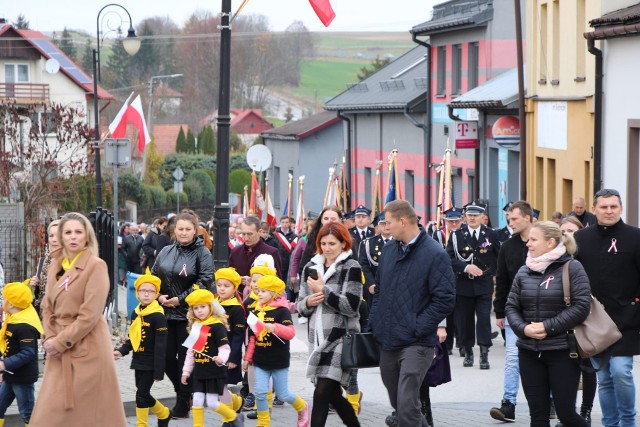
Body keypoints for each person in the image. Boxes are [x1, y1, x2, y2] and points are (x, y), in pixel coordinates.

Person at [29, 212, 127, 426]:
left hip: (87, 349)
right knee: (47, 416)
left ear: (87, 237)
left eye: (78, 232)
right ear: (61, 237)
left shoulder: (96, 266)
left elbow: (89, 315)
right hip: (58, 349)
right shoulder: (56, 265)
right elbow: (46, 306)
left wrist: (60, 341)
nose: (73, 237)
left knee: (89, 416)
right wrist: (49, 337)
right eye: (68, 232)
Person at [369, 200, 456, 427]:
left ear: (403, 221)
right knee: (401, 405)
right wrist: (376, 322)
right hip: (388, 340)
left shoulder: (435, 253)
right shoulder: (389, 250)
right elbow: (379, 290)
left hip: (417, 342)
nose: (384, 228)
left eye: (388, 223)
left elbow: (445, 299)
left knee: (407, 406)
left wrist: (417, 325)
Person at [506, 221, 591, 427]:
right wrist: (524, 329)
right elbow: (511, 306)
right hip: (528, 351)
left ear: (551, 243)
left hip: (561, 351)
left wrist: (547, 327)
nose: (528, 244)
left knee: (566, 414)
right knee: (538, 416)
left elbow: (581, 306)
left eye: (534, 240)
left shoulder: (572, 267)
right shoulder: (524, 271)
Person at [573, 188, 640, 427]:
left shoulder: (635, 237)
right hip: (593, 321)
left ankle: (628, 422)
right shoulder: (581, 239)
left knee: (621, 372)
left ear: (621, 208)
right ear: (594, 209)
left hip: (627, 319)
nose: (609, 211)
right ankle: (610, 424)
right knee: (604, 378)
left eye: (613, 206)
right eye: (604, 207)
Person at [297, 221, 362, 427]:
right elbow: (300, 306)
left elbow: (351, 306)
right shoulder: (311, 266)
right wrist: (308, 302)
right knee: (332, 393)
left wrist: (324, 292)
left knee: (322, 390)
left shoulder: (351, 266)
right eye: (323, 243)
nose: (327, 248)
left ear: (343, 243)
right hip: (317, 337)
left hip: (340, 336)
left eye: (332, 243)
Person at [152, 211, 215, 419]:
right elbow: (153, 277)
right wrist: (160, 296)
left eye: (188, 229)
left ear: (195, 230)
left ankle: (182, 401)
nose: (184, 233)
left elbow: (205, 281)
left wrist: (181, 298)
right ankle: (183, 393)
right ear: (174, 230)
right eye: (180, 229)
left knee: (184, 359)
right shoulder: (166, 251)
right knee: (166, 358)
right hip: (165, 313)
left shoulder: (202, 253)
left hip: (189, 316)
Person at [243, 275, 310, 427]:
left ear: (274, 293)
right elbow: (253, 337)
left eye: (264, 291)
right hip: (260, 360)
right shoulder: (255, 310)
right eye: (258, 290)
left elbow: (291, 333)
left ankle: (302, 407)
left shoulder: (282, 311)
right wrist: (247, 358)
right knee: (259, 393)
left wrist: (275, 327)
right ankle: (263, 423)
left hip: (279, 360)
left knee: (282, 394)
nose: (259, 294)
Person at [490, 201, 534, 422]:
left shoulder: (544, 241)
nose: (510, 222)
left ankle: (552, 401)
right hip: (514, 312)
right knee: (512, 359)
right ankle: (508, 404)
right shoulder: (507, 246)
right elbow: (502, 280)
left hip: (543, 312)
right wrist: (500, 312)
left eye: (515, 218)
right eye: (509, 218)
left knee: (545, 358)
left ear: (528, 217)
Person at [114, 268, 171, 427]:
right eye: (143, 290)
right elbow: (133, 339)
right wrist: (120, 351)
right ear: (137, 293)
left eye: (151, 291)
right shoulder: (135, 313)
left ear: (156, 294)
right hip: (138, 360)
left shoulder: (158, 316)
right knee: (144, 394)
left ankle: (142, 424)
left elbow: (161, 346)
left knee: (140, 395)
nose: (146, 294)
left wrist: (159, 370)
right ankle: (164, 413)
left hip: (152, 363)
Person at [446, 202, 501, 369]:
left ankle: (484, 353)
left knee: (484, 319)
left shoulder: (491, 234)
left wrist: (495, 275)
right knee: (465, 320)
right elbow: (448, 258)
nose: (472, 218)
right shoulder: (456, 235)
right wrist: (465, 266)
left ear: (482, 217)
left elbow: (499, 257)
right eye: (469, 215)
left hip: (483, 283)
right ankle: (468, 351)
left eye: (475, 215)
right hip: (463, 282)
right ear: (465, 217)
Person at [180, 289, 244, 427]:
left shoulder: (217, 326)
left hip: (214, 372)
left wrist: (221, 358)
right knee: (197, 401)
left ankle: (234, 417)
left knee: (212, 403)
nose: (199, 311)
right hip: (199, 372)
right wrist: (186, 372)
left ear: (211, 306)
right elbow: (191, 353)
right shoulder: (195, 327)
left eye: (203, 307)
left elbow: (225, 348)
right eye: (196, 308)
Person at [555, 216, 596, 427]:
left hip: (585, 319)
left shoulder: (586, 256)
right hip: (561, 319)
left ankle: (586, 411)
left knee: (588, 368)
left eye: (571, 230)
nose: (566, 234)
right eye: (563, 230)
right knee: (566, 370)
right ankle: (568, 414)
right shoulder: (554, 256)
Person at [0, 280, 43, 426]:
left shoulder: (24, 326)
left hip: (22, 378)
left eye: (5, 298)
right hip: (10, 376)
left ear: (11, 304)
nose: (3, 301)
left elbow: (28, 353)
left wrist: (4, 364)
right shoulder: (13, 320)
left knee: (27, 412)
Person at [214, 268, 247, 414]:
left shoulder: (237, 309)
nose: (222, 289)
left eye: (226, 286)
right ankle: (237, 401)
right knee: (217, 385)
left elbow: (238, 336)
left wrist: (233, 358)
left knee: (221, 386)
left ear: (234, 288)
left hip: (228, 353)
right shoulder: (212, 304)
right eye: (219, 285)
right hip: (214, 352)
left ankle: (228, 417)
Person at [229, 216, 282, 295]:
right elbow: (229, 277)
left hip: (262, 302)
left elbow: (278, 281)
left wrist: (254, 281)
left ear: (259, 231)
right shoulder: (235, 252)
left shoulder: (272, 252)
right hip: (238, 301)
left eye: (250, 234)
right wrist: (238, 279)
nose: (246, 238)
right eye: (243, 234)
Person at [298, 206, 342, 280]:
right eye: (326, 218)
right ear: (321, 220)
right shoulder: (313, 238)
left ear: (340, 220)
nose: (329, 221)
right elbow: (304, 266)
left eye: (333, 219)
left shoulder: (348, 240)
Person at [359, 213, 392, 307]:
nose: (386, 226)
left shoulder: (400, 242)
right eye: (382, 224)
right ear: (378, 225)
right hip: (375, 288)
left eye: (388, 223)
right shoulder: (369, 243)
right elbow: (364, 265)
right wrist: (371, 283)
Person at [30, 219, 61, 314]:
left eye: (58, 235)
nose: (54, 239)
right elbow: (38, 295)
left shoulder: (69, 262)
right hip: (44, 315)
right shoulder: (44, 261)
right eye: (51, 236)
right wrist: (35, 284)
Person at [272, 216, 298, 298]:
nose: (285, 224)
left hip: (289, 263)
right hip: (278, 262)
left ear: (289, 223)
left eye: (286, 222)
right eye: (283, 222)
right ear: (280, 223)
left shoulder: (294, 236)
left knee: (287, 284)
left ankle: (287, 300)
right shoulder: (275, 235)